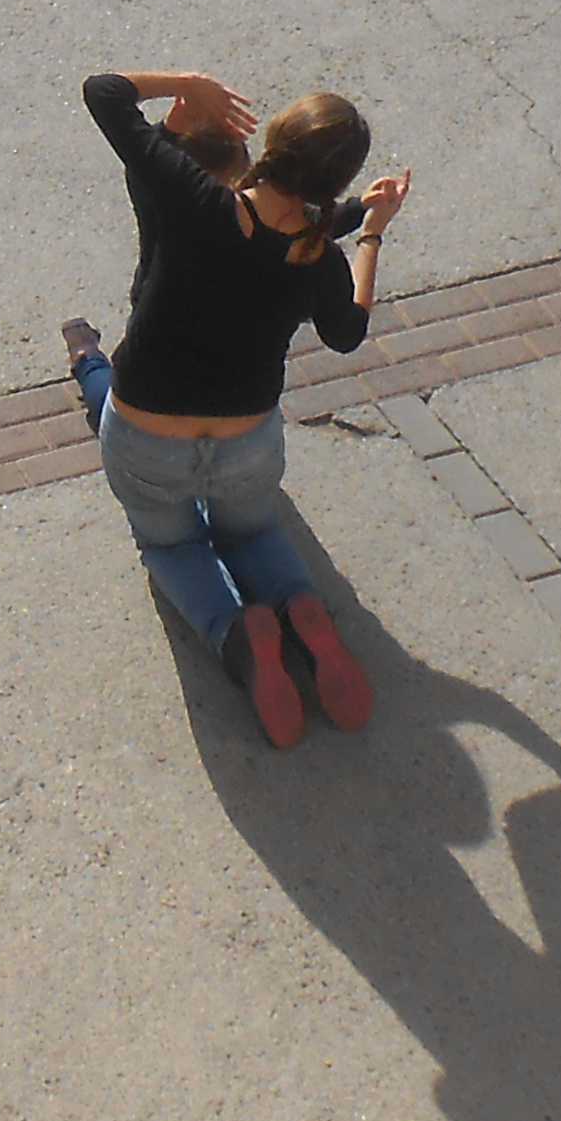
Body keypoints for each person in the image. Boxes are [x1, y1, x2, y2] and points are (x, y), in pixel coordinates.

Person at [54, 69, 402, 748]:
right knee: (254, 532)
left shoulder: (188, 199)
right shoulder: (316, 257)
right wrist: (371, 233)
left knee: (171, 544)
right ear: (334, 183)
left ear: (273, 141)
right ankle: (300, 607)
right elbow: (347, 332)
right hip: (246, 441)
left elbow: (102, 92)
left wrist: (189, 86)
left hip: (149, 433)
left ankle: (241, 636)